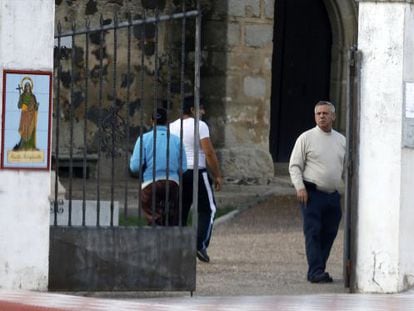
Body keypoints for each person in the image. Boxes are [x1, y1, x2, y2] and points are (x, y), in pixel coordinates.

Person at [288, 100, 346, 283]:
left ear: (333, 116)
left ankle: (318, 268)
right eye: (318, 113)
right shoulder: (305, 138)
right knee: (313, 232)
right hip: (312, 194)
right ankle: (316, 271)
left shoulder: (341, 140)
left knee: (330, 232)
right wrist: (300, 188)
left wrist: (343, 191)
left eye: (326, 113)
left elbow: (346, 168)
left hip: (333, 195)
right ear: (315, 116)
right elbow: (294, 166)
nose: (322, 116)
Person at [169, 96, 223, 263]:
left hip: (178, 172)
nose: (204, 112)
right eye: (201, 109)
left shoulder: (172, 126)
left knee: (181, 210)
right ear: (192, 110)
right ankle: (199, 244)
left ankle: (176, 249)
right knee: (208, 209)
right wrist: (217, 174)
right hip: (197, 171)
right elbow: (209, 152)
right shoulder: (200, 125)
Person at [130, 107, 187, 226]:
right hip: (172, 183)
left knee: (151, 209)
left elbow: (135, 167)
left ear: (152, 121)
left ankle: (155, 225)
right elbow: (184, 168)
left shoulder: (144, 139)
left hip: (151, 183)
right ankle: (171, 230)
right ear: (167, 122)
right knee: (172, 213)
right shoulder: (177, 140)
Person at [14, 79, 39, 151]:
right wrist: (22, 103)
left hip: (31, 115)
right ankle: (22, 146)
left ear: (30, 87)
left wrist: (36, 106)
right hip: (25, 115)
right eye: (26, 86)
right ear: (24, 87)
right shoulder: (22, 96)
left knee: (31, 130)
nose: (27, 88)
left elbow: (35, 106)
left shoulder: (33, 96)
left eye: (29, 86)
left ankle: (31, 147)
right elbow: (19, 106)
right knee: (24, 130)